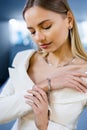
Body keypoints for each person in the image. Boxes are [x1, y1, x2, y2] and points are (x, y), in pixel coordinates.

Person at [0, 0, 87, 130]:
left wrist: (44, 126)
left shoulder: (84, 73)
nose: (38, 38)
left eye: (46, 27)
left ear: (69, 20)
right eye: (32, 31)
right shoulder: (24, 60)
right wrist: (44, 85)